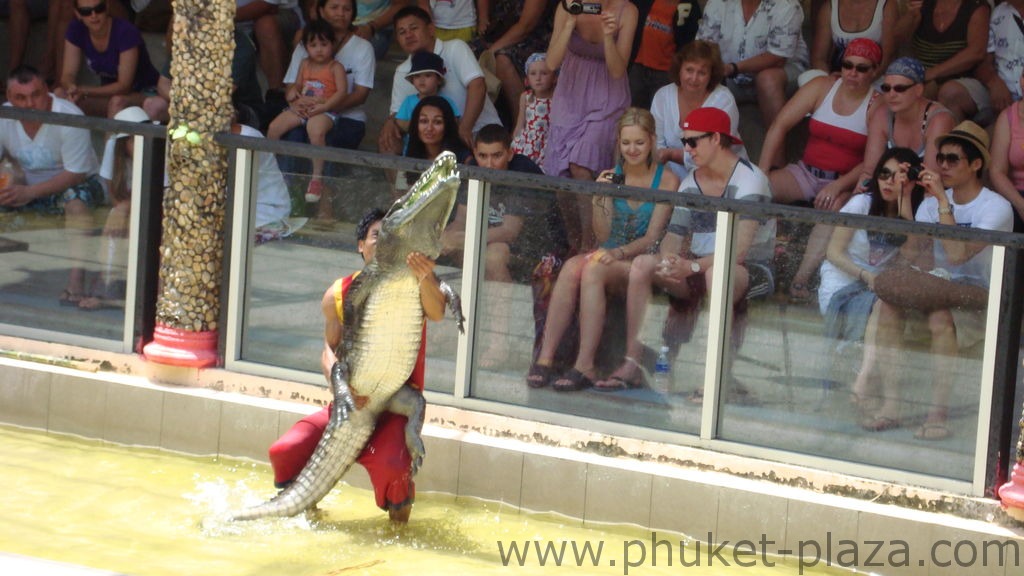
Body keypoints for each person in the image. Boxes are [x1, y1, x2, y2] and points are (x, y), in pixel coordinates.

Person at [268, 208, 448, 524]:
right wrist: (344, 394)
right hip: (354, 400)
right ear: (360, 245)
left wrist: (423, 277)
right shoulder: (337, 293)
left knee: (394, 465)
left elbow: (437, 313)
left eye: (390, 237)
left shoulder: (412, 283)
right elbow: (329, 349)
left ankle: (399, 535)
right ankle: (304, 517)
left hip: (394, 405)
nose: (383, 242)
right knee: (285, 450)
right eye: (376, 235)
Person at [599, 107, 774, 396]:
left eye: (693, 141)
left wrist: (691, 267)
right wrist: (670, 261)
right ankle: (631, 362)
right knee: (643, 263)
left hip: (750, 269)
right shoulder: (691, 181)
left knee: (716, 273)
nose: (686, 149)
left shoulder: (750, 179)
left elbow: (739, 252)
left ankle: (714, 376)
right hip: (699, 264)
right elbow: (674, 237)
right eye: (684, 142)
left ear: (716, 139)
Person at [869, 122, 1012, 439]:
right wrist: (908, 202)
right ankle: (892, 405)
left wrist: (944, 205)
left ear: (976, 164)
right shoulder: (932, 203)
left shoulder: (996, 207)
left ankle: (938, 414)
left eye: (953, 159)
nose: (943, 166)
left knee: (939, 316)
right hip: (938, 289)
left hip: (980, 299)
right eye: (940, 158)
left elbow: (958, 255)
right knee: (888, 305)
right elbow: (914, 257)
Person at [525, 108, 678, 391]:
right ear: (618, 143)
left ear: (652, 142)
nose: (632, 150)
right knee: (572, 267)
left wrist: (619, 253)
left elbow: (653, 236)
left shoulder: (666, 179)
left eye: (639, 143)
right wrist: (603, 197)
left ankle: (585, 364)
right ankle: (545, 358)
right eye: (626, 143)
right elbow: (603, 234)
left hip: (640, 259)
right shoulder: (610, 176)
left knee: (593, 267)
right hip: (609, 252)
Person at [759, 38, 882, 302]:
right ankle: (751, 261)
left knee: (833, 208)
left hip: (844, 182)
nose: (852, 73)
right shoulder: (822, 86)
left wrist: (840, 186)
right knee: (759, 191)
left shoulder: (876, 105)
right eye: (848, 65)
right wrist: (760, 173)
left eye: (862, 68)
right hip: (805, 172)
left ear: (874, 72)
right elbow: (779, 125)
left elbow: (872, 162)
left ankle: (800, 280)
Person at [441, 123, 569, 365]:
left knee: (494, 255)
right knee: (458, 248)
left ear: (510, 153)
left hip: (542, 249)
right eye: (483, 156)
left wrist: (460, 238)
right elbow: (460, 221)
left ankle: (499, 344)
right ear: (475, 154)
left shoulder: (521, 171)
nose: (489, 164)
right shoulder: (474, 170)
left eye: (497, 156)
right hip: (496, 244)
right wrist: (447, 238)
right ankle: (453, 336)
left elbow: (510, 231)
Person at [820, 147, 922, 415]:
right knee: (884, 306)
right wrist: (866, 276)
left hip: (879, 288)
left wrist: (906, 197)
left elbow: (910, 256)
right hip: (843, 280)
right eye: (884, 174)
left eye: (897, 177)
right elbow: (833, 253)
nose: (889, 181)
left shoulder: (909, 209)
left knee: (884, 305)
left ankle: (864, 380)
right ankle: (868, 383)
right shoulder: (860, 204)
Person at [0, 65, 102, 307]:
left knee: (75, 201)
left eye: (35, 95)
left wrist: (29, 192)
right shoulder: (4, 116)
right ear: (9, 98)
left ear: (47, 91)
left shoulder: (70, 115)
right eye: (20, 98)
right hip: (27, 189)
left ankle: (76, 279)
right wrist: (11, 181)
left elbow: (76, 174)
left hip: (78, 185)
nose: (29, 104)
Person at [543, 0, 638, 252]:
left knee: (581, 166)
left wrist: (608, 37)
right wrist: (570, 23)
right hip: (571, 94)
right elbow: (551, 63)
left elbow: (619, 70)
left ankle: (590, 244)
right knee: (562, 177)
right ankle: (575, 242)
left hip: (608, 95)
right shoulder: (567, 5)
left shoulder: (626, 10)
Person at [696, 0, 809, 167]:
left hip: (783, 76)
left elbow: (777, 58)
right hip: (730, 75)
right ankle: (701, 159)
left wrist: (733, 68)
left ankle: (776, 165)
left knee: (767, 79)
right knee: (696, 72)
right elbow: (703, 47)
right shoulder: (719, 3)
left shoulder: (786, 6)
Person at [378, 5, 501, 155]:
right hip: (435, 139)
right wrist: (390, 122)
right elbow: (397, 113)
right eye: (402, 32)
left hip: (477, 131)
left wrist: (464, 128)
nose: (408, 35)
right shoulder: (402, 70)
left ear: (430, 29)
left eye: (414, 28)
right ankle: (405, 179)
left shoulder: (455, 48)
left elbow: (478, 86)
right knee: (388, 141)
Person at [79, 105, 155, 310]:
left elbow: (162, 197)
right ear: (123, 143)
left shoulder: (158, 151)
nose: (138, 143)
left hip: (157, 213)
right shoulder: (114, 151)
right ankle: (109, 287)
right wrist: (123, 210)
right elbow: (115, 196)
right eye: (131, 139)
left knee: (123, 219)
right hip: (129, 212)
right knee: (114, 220)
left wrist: (125, 208)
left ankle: (122, 294)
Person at [267, 19, 349, 204]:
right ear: (305, 46)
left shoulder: (336, 67)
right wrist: (293, 96)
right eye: (313, 45)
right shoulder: (304, 63)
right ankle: (271, 171)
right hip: (302, 108)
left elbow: (342, 92)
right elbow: (296, 85)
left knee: (315, 130)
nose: (319, 49)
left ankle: (316, 179)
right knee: (273, 128)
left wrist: (325, 107)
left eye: (324, 44)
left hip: (324, 111)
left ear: (333, 44)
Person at [650, 39, 744, 182]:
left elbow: (716, 153)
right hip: (671, 178)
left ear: (711, 75)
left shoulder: (724, 100)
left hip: (720, 177)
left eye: (702, 73)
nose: (694, 78)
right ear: (679, 69)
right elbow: (656, 144)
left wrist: (671, 154)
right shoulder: (663, 96)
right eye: (689, 70)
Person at [857, 57, 955, 194]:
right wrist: (855, 200)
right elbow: (868, 172)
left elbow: (930, 180)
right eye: (886, 88)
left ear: (918, 90)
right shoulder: (882, 115)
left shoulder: (938, 119)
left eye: (900, 88)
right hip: (889, 193)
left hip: (928, 196)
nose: (891, 94)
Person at [55, 0, 160, 118]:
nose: (93, 15)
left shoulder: (126, 31)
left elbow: (123, 86)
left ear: (107, 7)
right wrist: (71, 88)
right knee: (60, 94)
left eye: (99, 9)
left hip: (145, 93)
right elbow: (68, 74)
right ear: (77, 13)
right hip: (107, 96)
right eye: (86, 11)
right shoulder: (76, 29)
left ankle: (110, 137)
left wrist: (85, 91)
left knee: (117, 102)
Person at [897, 0, 990, 123]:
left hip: (963, 81)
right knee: (897, 90)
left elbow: (976, 52)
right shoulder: (923, 5)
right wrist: (911, 16)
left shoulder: (975, 7)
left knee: (948, 92)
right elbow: (898, 39)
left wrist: (932, 73)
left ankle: (949, 140)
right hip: (924, 78)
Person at [471, 0, 557, 120]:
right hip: (498, 31)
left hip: (532, 38)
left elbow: (526, 26)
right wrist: (483, 18)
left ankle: (522, 121)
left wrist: (491, 51)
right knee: (467, 51)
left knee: (502, 59)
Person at [627, 0, 702, 110]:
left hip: (666, 71)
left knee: (661, 112)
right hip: (638, 66)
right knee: (634, 111)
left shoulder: (689, 4)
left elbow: (690, 40)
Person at [808, 0, 896, 77]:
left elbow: (888, 57)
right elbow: (818, 58)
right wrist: (829, 80)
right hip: (839, 77)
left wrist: (866, 79)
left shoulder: (887, 4)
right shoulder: (829, 6)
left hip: (874, 76)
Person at [974, 0, 1024, 118]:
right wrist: (994, 82)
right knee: (952, 93)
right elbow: (983, 62)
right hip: (1001, 94)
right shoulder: (998, 12)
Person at [989, 69, 1024, 231]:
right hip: (1017, 195)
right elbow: (997, 171)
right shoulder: (1008, 117)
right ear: (1022, 81)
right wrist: (1021, 205)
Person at [395, 50, 461, 135]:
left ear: (439, 80)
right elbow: (401, 123)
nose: (422, 80)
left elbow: (454, 125)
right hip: (413, 147)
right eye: (417, 76)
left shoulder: (447, 102)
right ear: (412, 80)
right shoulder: (409, 101)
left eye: (428, 75)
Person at [510, 52, 554, 169]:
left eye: (544, 73)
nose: (538, 78)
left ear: (554, 77)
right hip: (527, 142)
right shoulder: (526, 97)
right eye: (533, 74)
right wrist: (515, 141)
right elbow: (520, 123)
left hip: (547, 142)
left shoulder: (555, 98)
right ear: (527, 79)